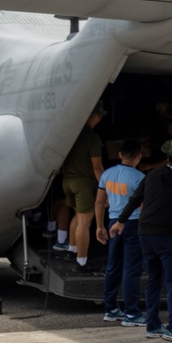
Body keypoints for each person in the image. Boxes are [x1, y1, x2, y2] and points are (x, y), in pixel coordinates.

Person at [111, 137, 172, 341]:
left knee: (154, 279)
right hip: (168, 235)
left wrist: (120, 220)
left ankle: (153, 324)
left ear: (167, 157)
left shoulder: (150, 175)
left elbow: (135, 200)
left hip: (145, 233)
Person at [95, 138, 146, 326]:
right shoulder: (139, 178)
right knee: (131, 268)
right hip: (133, 223)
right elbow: (142, 205)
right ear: (139, 157)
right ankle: (132, 313)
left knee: (113, 265)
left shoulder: (107, 174)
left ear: (120, 155)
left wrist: (100, 226)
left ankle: (111, 309)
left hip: (112, 222)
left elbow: (100, 202)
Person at [62, 101, 105, 272]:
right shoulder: (92, 138)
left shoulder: (71, 134)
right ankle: (82, 261)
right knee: (85, 223)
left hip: (67, 181)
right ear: (96, 116)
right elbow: (97, 167)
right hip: (83, 184)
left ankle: (72, 250)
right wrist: (105, 189)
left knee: (77, 217)